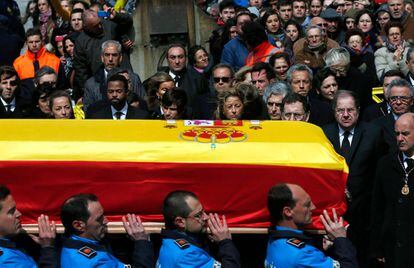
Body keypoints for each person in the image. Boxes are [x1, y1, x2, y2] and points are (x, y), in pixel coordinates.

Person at [323, 90, 386, 266]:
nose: (345, 115)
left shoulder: (374, 133)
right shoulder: (323, 134)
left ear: (358, 110)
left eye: (350, 110)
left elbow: (380, 173)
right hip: (333, 213)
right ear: (334, 111)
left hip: (365, 214)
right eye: (340, 110)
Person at [265, 183, 358, 267]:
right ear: (288, 212)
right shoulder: (303, 254)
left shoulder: (274, 240)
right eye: (307, 204)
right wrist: (341, 239)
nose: (313, 207)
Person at [60, 193, 154, 267]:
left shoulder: (73, 245)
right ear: (79, 225)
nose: (106, 221)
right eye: (99, 219)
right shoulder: (95, 262)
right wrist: (142, 241)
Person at [371, 112, 414, 267]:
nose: (400, 138)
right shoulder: (386, 164)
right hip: (393, 247)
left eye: (405, 134)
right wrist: (377, 246)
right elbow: (377, 208)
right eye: (397, 134)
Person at [157, 190, 241, 267]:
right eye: (198, 215)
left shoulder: (170, 242)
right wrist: (225, 242)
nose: (206, 217)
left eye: (203, 211)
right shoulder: (187, 255)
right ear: (180, 222)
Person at [72, 8, 134, 101]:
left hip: (125, 78)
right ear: (86, 26)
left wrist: (117, 16)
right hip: (101, 86)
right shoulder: (81, 42)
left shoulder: (110, 25)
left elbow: (128, 22)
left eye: (99, 23)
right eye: (95, 26)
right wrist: (88, 90)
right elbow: (81, 71)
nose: (100, 27)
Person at [0, 184, 57, 267]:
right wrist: (47, 247)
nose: (19, 214)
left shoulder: (15, 240)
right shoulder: (7, 262)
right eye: (11, 212)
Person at [83, 40, 144, 112]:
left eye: (114, 55)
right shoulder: (91, 84)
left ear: (120, 58)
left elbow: (143, 105)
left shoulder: (133, 79)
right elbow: (88, 111)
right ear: (102, 58)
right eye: (107, 55)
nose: (110, 59)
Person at [13, 28, 63, 102]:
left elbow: (62, 85)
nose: (34, 45)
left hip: (51, 102)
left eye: (37, 41)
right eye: (31, 42)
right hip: (27, 104)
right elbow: (16, 87)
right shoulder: (18, 63)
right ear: (26, 43)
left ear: (42, 41)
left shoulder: (55, 60)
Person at [160, 44, 209, 112]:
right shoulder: (158, 79)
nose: (177, 61)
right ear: (167, 59)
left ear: (186, 58)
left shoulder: (198, 79)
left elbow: (205, 106)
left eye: (180, 57)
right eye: (173, 57)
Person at [373, 78, 414, 152]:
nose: (398, 102)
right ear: (388, 101)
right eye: (393, 99)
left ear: (412, 101)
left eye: (403, 98)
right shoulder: (376, 126)